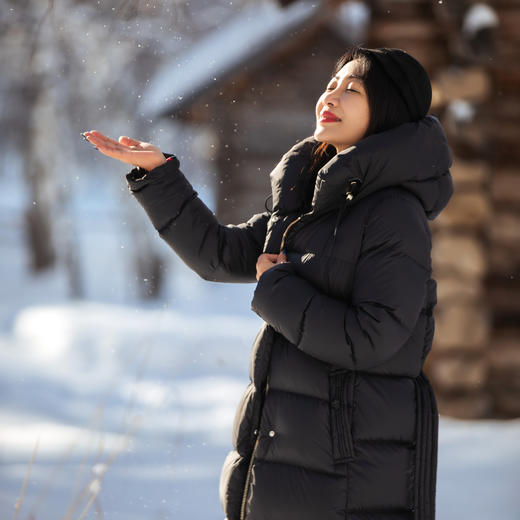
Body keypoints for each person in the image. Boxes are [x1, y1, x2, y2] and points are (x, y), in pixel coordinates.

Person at [83, 45, 453, 520]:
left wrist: (278, 288)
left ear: (388, 112)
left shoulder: (393, 214)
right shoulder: (311, 201)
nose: (331, 95)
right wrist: (159, 176)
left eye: (352, 89)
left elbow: (371, 338)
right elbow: (219, 256)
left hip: (346, 474)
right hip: (289, 459)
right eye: (331, 84)